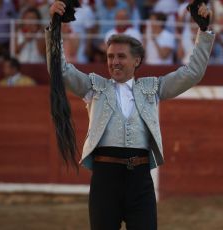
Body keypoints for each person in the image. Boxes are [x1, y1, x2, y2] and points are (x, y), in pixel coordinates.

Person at [47, 1, 214, 229]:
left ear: (137, 61)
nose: (114, 62)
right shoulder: (94, 87)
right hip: (105, 179)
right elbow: (61, 69)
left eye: (121, 57)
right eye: (110, 56)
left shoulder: (153, 88)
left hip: (140, 179)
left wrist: (203, 32)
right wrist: (54, 27)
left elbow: (193, 73)